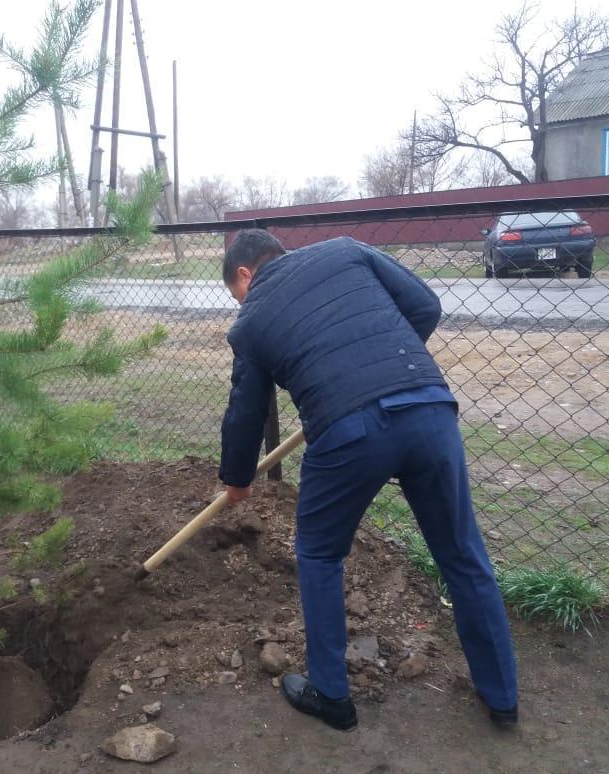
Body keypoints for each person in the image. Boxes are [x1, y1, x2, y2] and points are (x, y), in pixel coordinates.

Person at [218, 229, 518, 731]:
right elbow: (424, 306)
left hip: (350, 432)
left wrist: (237, 479)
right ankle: (503, 698)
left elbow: (246, 410)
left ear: (245, 274)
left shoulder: (250, 323)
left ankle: (333, 696)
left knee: (317, 553)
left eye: (236, 293)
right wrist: (381, 370)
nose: (241, 304)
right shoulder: (346, 250)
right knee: (462, 555)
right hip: (428, 409)